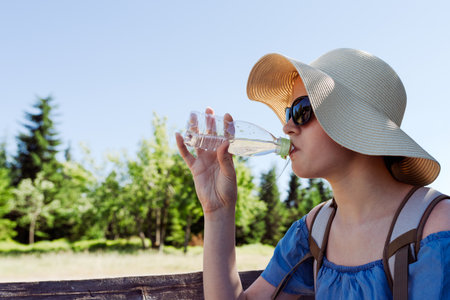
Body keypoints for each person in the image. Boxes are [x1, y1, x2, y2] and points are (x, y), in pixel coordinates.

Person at [175, 48, 450, 299]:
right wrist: (218, 210)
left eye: (302, 110)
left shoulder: (436, 228)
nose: (287, 128)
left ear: (356, 123)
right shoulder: (313, 233)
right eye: (287, 113)